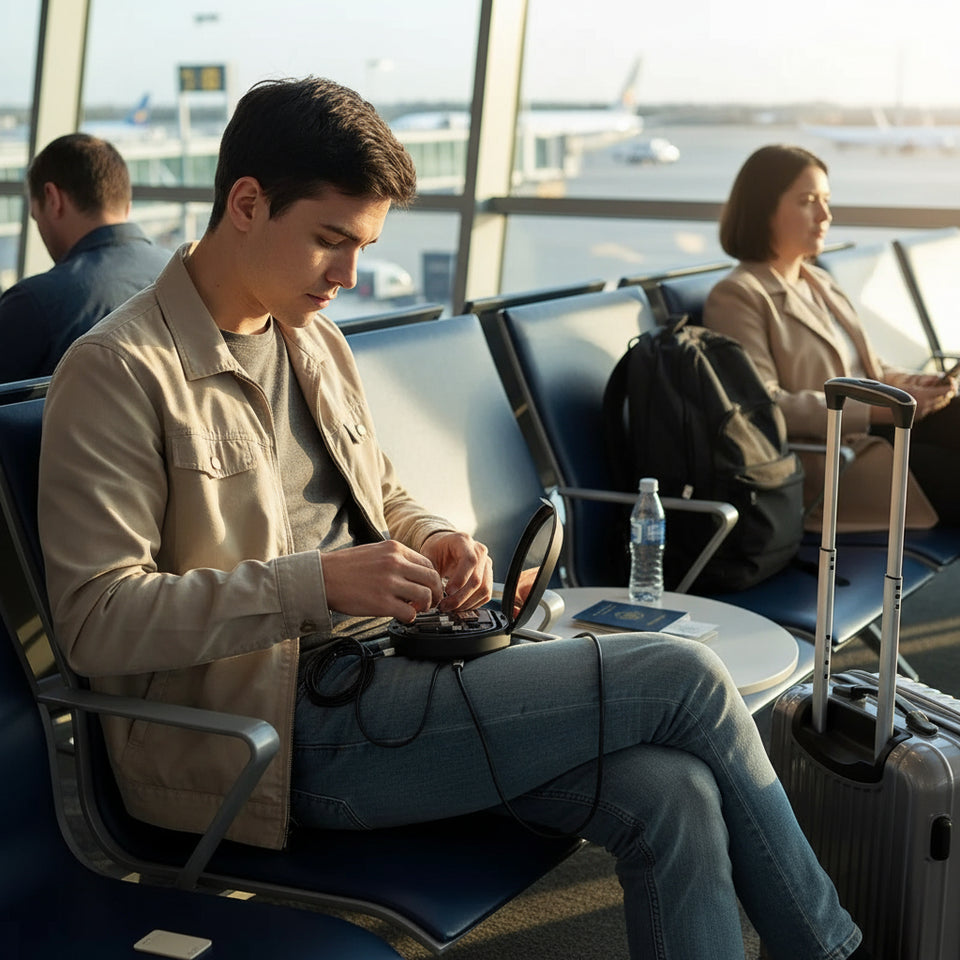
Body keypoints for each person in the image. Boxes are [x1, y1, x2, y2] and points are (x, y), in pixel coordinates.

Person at [38, 79, 866, 959]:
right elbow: (95, 622)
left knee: (674, 796)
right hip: (279, 740)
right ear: (246, 203)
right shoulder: (120, 371)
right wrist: (313, 586)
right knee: (685, 679)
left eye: (364, 246)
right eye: (330, 240)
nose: (349, 275)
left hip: (396, 672)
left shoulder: (313, 340)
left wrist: (431, 538)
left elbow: (380, 493)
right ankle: (833, 950)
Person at [704, 144, 960, 531]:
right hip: (832, 459)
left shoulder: (818, 280)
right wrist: (880, 409)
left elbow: (867, 367)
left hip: (876, 433)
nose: (825, 216)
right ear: (763, 210)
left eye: (825, 200)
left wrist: (909, 383)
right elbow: (763, 409)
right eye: (807, 201)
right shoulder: (738, 296)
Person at [0, 133, 170, 381]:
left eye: (36, 217)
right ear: (127, 205)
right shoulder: (185, 275)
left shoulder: (33, 303)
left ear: (52, 198)